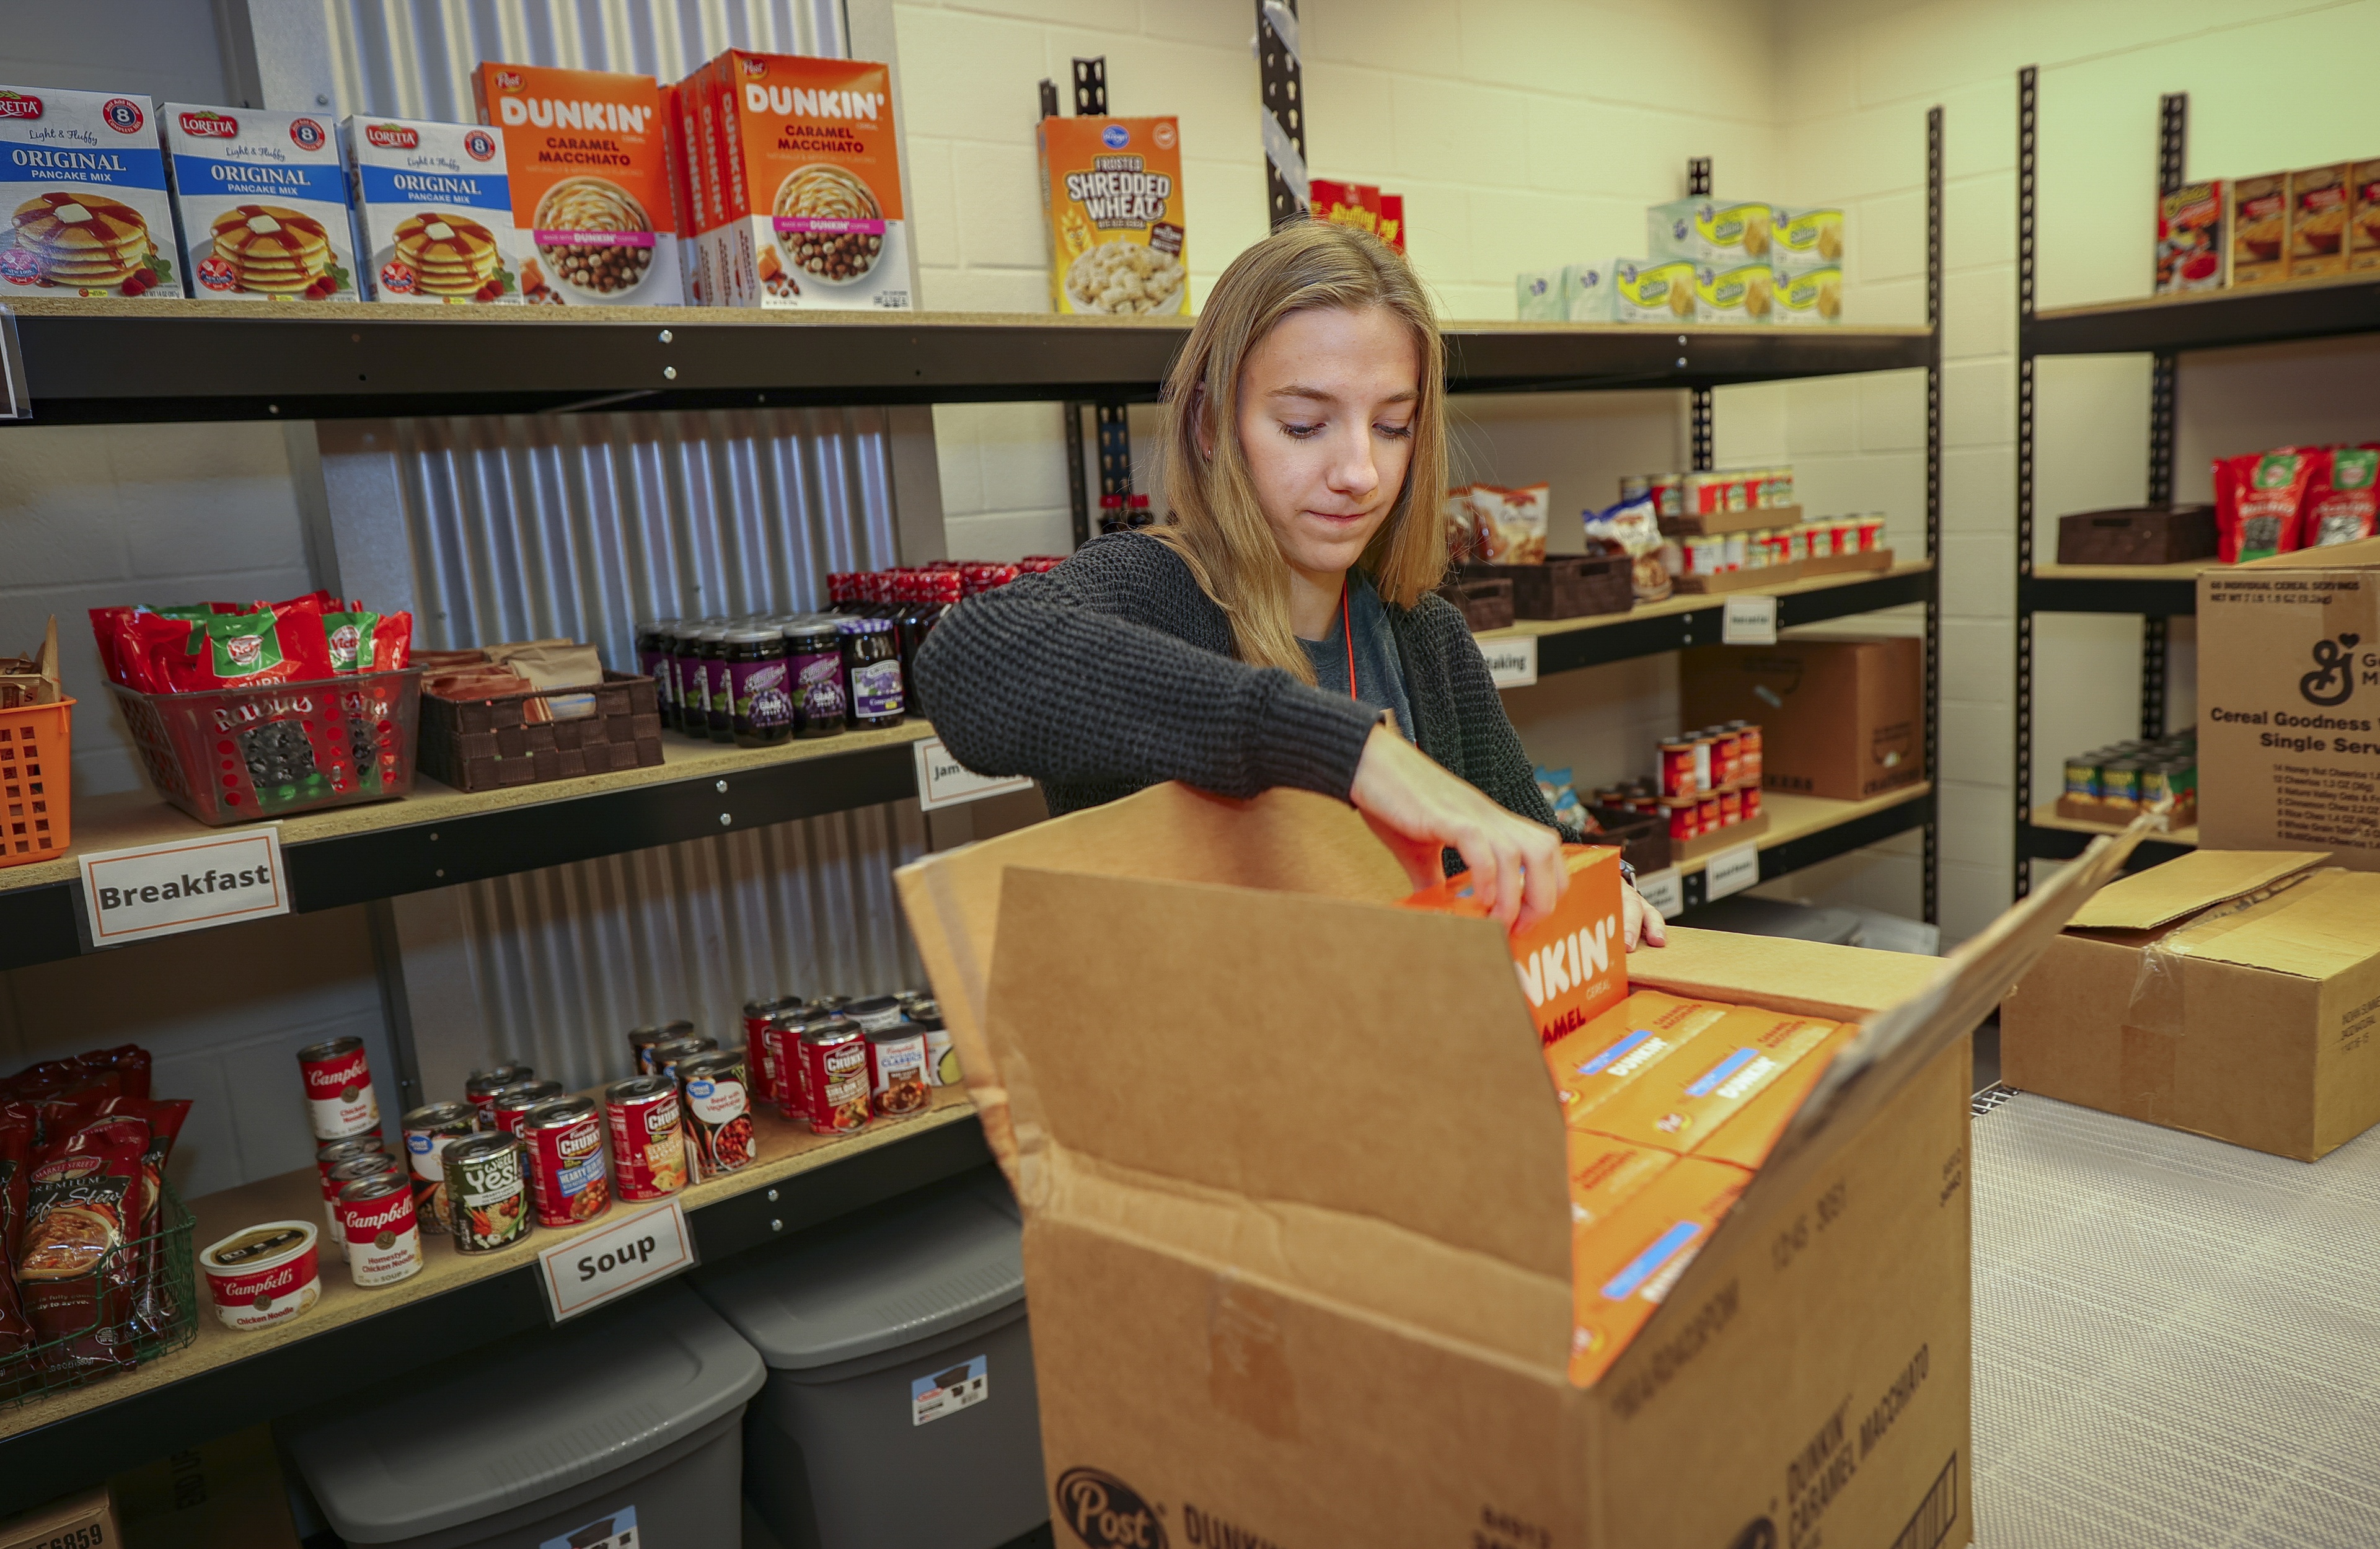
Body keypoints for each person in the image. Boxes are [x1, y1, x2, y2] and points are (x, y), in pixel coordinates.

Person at [915, 221, 1663, 947]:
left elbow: (1528, 844)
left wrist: (1601, 885)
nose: (1360, 475)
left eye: (1393, 427)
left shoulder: (1423, 635)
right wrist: (1355, 753)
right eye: (1305, 425)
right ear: (1212, 426)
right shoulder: (1149, 592)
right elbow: (967, 663)